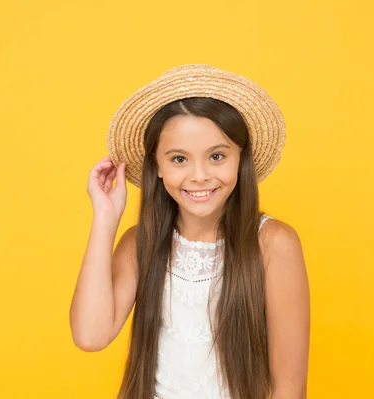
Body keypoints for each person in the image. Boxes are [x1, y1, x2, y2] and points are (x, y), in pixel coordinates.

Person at [70, 64, 310, 399]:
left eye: (216, 156)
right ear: (157, 167)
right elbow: (90, 336)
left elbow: (290, 387)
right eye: (179, 159)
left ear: (241, 160)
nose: (199, 176)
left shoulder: (273, 244)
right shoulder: (141, 243)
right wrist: (105, 220)